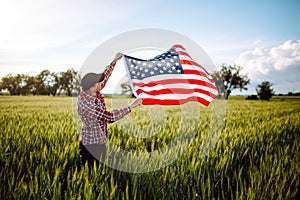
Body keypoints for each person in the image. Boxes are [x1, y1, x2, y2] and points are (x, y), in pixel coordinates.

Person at [77, 52, 142, 167]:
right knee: (91, 171)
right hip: (91, 145)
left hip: (100, 140)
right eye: (98, 83)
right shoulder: (87, 104)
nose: (101, 84)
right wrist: (132, 106)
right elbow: (109, 117)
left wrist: (114, 61)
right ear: (91, 87)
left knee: (100, 169)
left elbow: (104, 77)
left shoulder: (92, 90)